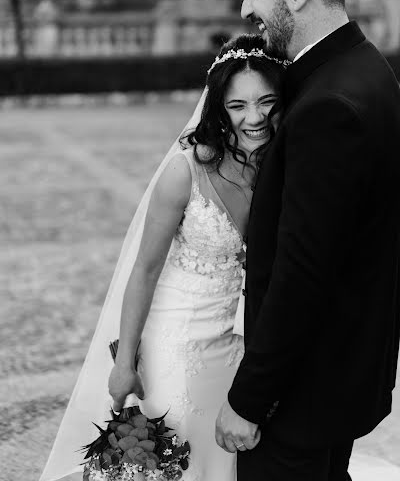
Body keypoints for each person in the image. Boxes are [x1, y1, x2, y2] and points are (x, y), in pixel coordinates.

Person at [38, 33, 288, 481]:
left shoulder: (279, 168)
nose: (255, 118)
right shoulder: (185, 172)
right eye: (237, 106)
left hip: (234, 354)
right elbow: (144, 269)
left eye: (266, 101)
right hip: (172, 351)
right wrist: (123, 361)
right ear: (219, 109)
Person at [215, 0, 400, 481]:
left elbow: (303, 271)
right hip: (341, 380)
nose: (246, 8)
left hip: (300, 397)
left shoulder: (327, 106)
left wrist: (250, 400)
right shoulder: (367, 69)